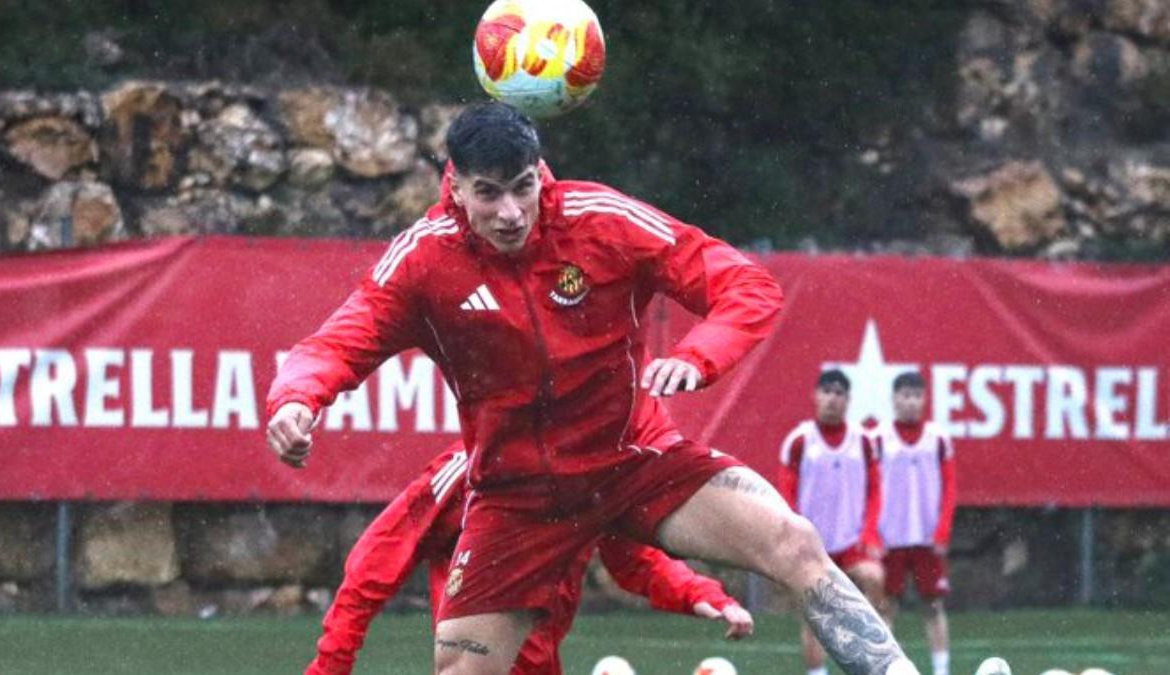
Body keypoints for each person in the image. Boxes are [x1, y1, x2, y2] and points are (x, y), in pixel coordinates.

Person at [266, 102, 919, 675]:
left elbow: (744, 286)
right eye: (489, 193)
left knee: (794, 542)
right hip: (517, 498)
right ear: (455, 187)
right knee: (463, 666)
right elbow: (334, 343)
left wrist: (700, 353)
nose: (512, 212)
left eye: (524, 187)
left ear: (541, 170)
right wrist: (296, 399)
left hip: (633, 461)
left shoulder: (600, 219)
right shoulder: (422, 260)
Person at [307, 441, 754, 675]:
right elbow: (375, 562)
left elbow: (634, 561)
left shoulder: (593, 479)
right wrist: (331, 664)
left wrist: (701, 592)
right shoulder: (470, 469)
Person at [779, 369, 886, 675]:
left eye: (839, 393)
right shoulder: (800, 441)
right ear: (816, 396)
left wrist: (869, 533)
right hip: (813, 546)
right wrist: (795, 537)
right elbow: (786, 494)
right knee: (815, 617)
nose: (832, 399)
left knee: (875, 577)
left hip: (852, 544)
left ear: (848, 400)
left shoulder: (864, 441)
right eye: (827, 392)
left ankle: (869, 651)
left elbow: (875, 490)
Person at [876, 372, 957, 675]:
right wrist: (872, 533)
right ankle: (887, 668)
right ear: (894, 399)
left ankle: (941, 669)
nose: (910, 401)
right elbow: (871, 488)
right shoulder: (878, 437)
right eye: (904, 395)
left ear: (924, 399)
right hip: (889, 537)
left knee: (933, 606)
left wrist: (942, 529)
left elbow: (949, 487)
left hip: (926, 537)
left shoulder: (937, 438)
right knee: (886, 608)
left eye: (916, 395)